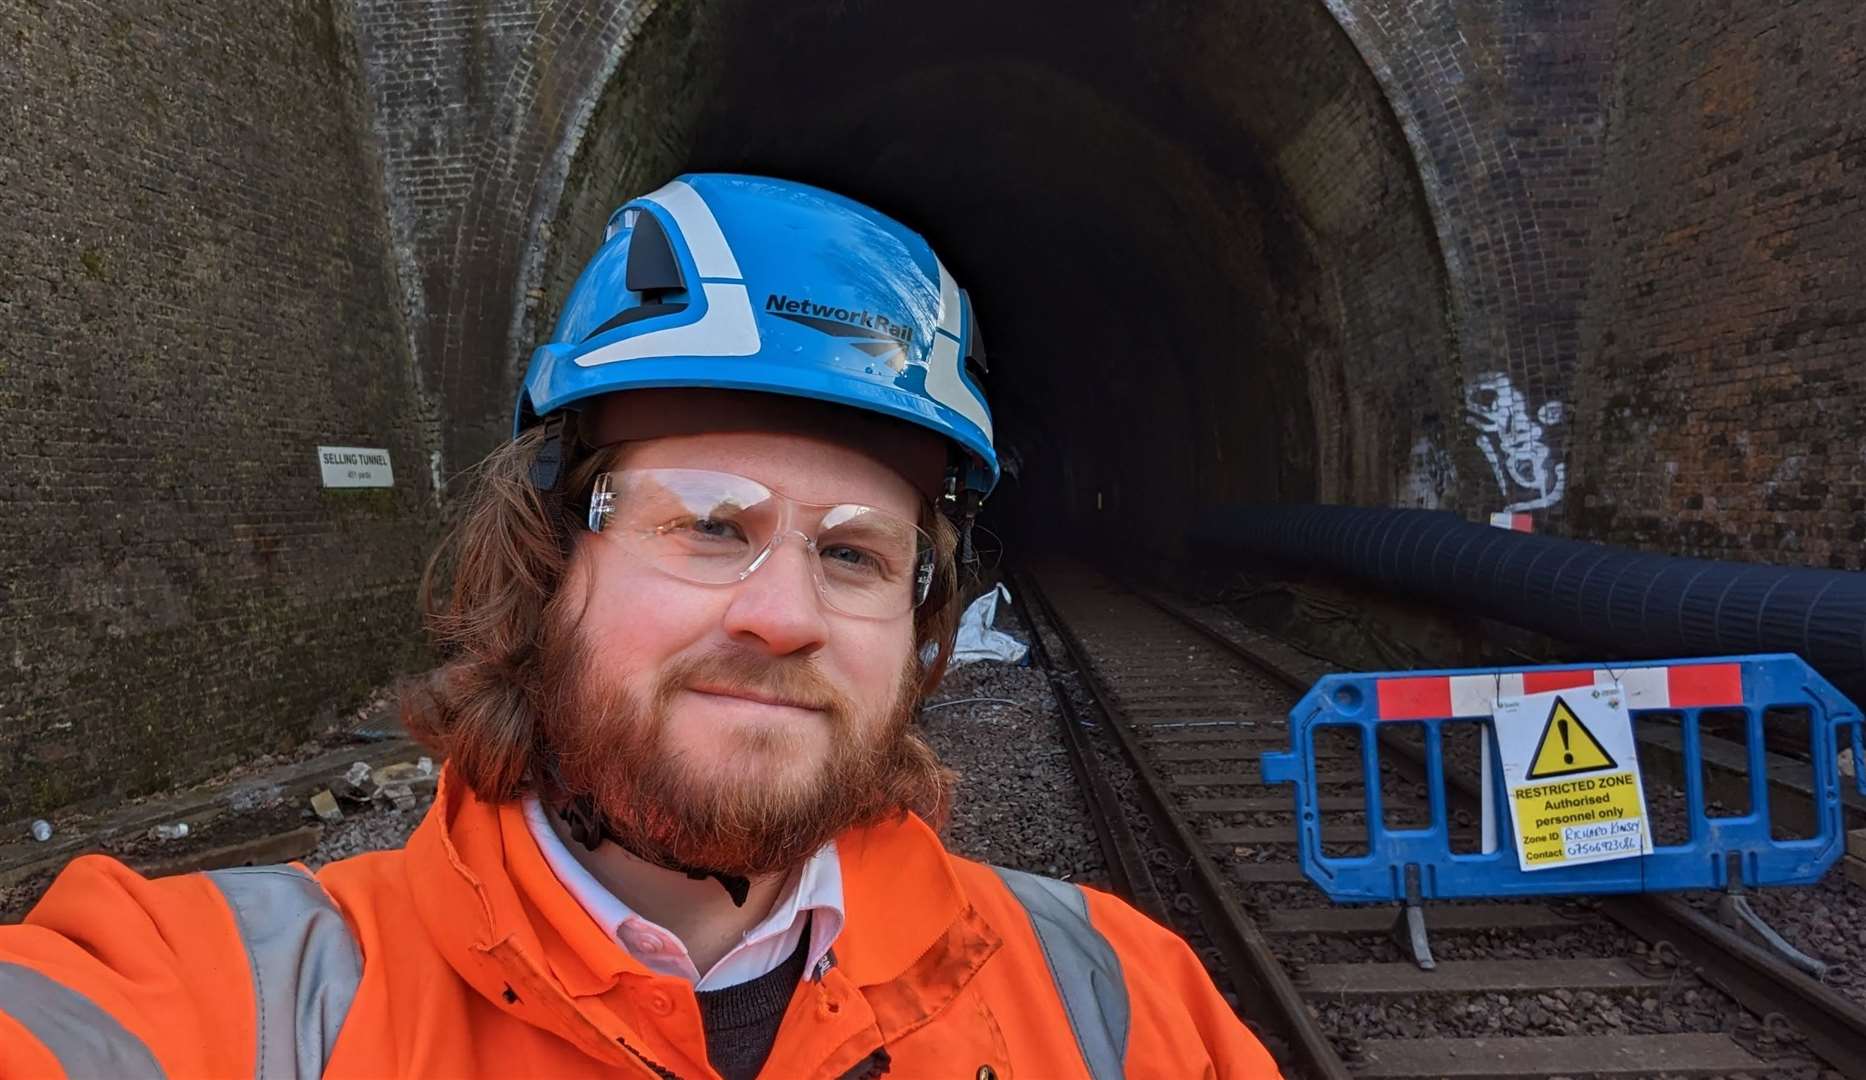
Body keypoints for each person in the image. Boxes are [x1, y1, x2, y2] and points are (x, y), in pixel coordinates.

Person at [0, 174, 1280, 1078]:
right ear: (547, 559)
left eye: (853, 553)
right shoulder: (253, 999)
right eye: (709, 523)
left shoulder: (1119, 1002)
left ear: (920, 621)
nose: (782, 616)